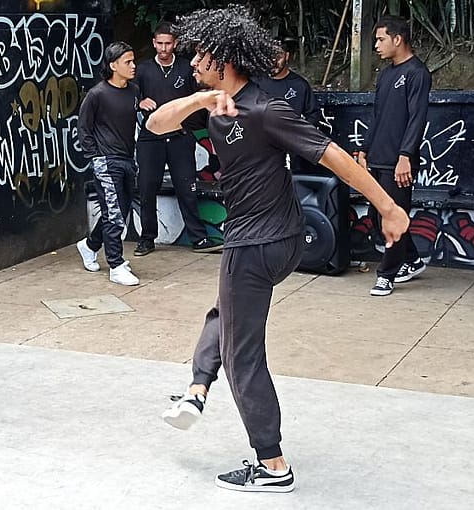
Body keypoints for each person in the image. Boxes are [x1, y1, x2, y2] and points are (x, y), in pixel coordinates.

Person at [147, 6, 410, 493]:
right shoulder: (215, 103)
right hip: (279, 241)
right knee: (224, 313)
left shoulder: (267, 110)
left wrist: (387, 206)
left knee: (243, 355)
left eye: (200, 59)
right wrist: (204, 97)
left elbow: (332, 157)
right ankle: (197, 390)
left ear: (222, 59)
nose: (192, 65)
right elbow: (156, 125)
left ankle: (272, 465)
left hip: (255, 244)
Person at [359, 15, 431, 297]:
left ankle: (386, 275)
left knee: (391, 217)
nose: (376, 45)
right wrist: (364, 148)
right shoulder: (386, 74)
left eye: (380, 39)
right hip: (377, 157)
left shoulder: (417, 73)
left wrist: (405, 156)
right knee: (378, 215)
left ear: (397, 39)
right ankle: (411, 259)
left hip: (398, 161)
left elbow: (417, 119)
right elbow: (377, 116)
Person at [133, 21, 219, 257]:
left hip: (181, 136)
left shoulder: (185, 68)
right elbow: (128, 95)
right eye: (159, 43)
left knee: (187, 187)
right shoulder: (142, 70)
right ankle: (147, 239)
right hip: (151, 138)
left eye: (168, 43)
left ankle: (199, 238)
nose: (163, 48)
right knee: (147, 186)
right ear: (153, 43)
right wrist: (139, 102)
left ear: (176, 43)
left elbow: (199, 100)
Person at [75, 41, 141, 286]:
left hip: (127, 159)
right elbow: (84, 128)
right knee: (114, 214)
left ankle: (90, 245)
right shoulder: (97, 94)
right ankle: (115, 264)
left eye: (133, 61)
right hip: (106, 161)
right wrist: (96, 156)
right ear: (113, 65)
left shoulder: (134, 91)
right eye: (128, 62)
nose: (133, 66)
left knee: (120, 211)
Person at [253, 40, 326, 173]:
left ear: (287, 56)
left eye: (278, 56)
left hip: (292, 155)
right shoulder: (255, 82)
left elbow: (313, 115)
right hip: (261, 153)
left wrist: (296, 137)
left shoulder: (300, 85)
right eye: (268, 55)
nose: (273, 60)